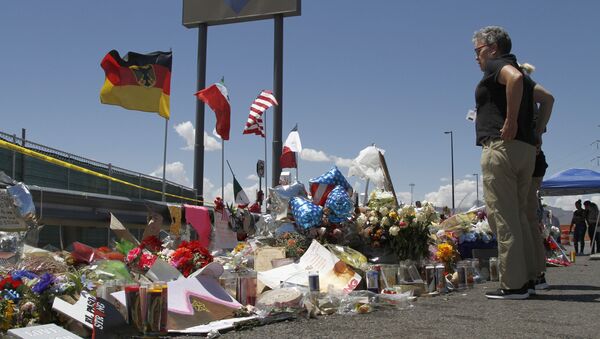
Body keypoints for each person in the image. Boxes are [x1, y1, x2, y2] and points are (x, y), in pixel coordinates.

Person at [472, 26, 538, 300]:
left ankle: (513, 285)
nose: (475, 57)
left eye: (477, 51)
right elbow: (547, 98)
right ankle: (530, 277)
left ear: (492, 48)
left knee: (504, 218)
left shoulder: (500, 67)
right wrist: (538, 132)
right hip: (524, 149)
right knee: (521, 217)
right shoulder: (523, 71)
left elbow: (513, 80)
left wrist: (510, 120)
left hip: (501, 148)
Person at [520, 62, 554, 291]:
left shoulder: (524, 87)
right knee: (527, 216)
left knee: (526, 216)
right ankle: (534, 272)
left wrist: (538, 133)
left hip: (529, 158)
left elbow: (549, 98)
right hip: (532, 158)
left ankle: (534, 273)